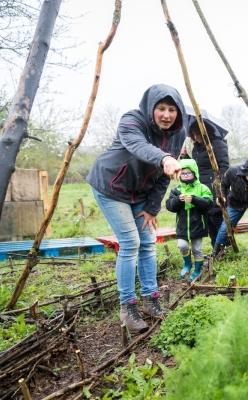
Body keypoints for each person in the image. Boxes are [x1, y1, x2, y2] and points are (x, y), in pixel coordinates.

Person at [86, 84, 184, 333]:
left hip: (141, 193)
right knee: (130, 243)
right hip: (112, 186)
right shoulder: (132, 120)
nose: (166, 115)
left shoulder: (178, 133)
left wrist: (152, 207)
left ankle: (151, 300)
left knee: (148, 242)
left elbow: (165, 176)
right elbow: (139, 146)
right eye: (161, 108)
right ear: (151, 108)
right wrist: (164, 158)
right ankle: (127, 306)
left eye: (172, 109)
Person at [181, 117, 230, 250]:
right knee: (207, 217)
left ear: (206, 131)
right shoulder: (197, 148)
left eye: (198, 133)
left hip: (215, 185)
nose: (196, 137)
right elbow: (196, 167)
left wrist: (220, 184)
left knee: (216, 216)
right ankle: (215, 245)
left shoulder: (217, 144)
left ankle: (224, 245)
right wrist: (185, 157)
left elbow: (225, 166)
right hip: (202, 187)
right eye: (194, 134)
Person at [165, 159, 214, 282]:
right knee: (182, 246)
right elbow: (169, 206)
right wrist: (177, 200)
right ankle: (187, 264)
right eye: (183, 173)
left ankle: (198, 270)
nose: (186, 176)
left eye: (188, 173)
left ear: (195, 173)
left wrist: (195, 200)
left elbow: (209, 204)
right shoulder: (176, 190)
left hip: (198, 225)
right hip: (182, 226)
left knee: (197, 249)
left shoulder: (202, 188)